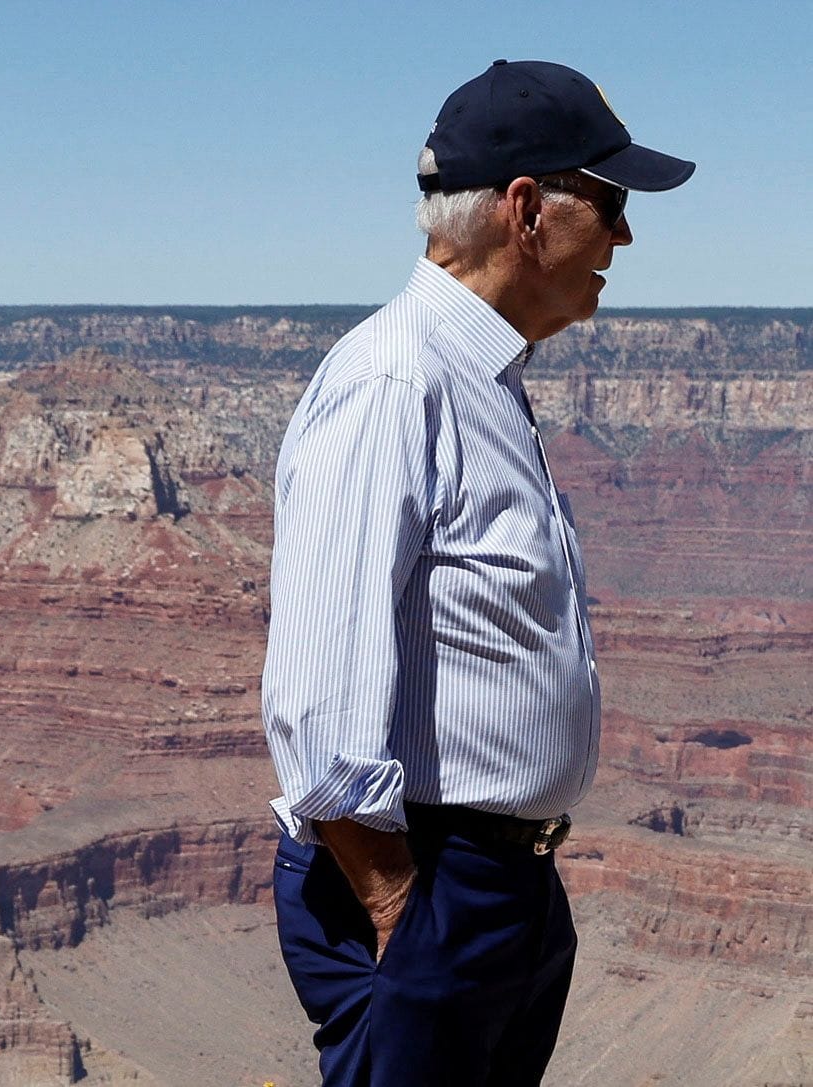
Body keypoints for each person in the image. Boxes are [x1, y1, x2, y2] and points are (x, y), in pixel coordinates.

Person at [259, 60, 694, 1086]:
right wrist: (398, 907)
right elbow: (318, 691)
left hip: (497, 885)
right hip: (425, 885)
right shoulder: (394, 381)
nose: (624, 238)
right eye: (609, 202)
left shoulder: (479, 379)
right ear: (523, 211)